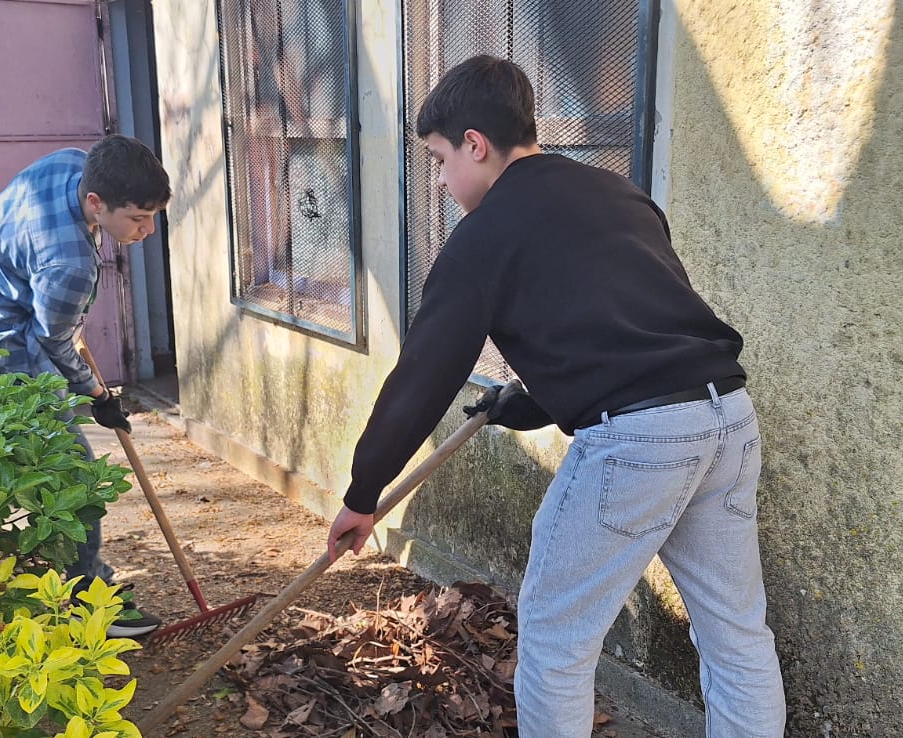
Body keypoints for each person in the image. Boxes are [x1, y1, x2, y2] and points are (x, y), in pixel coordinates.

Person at [324, 56, 786, 738]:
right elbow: (629, 334)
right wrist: (526, 402)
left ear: (475, 144)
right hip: (725, 418)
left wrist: (364, 492)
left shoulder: (485, 234)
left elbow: (425, 375)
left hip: (640, 441)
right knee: (737, 633)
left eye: (439, 159)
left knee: (554, 641)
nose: (443, 180)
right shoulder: (617, 195)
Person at [0, 134, 171, 638]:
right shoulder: (70, 263)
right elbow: (55, 342)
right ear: (96, 202)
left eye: (153, 215)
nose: (147, 230)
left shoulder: (71, 163)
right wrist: (98, 396)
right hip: (0, 350)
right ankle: (86, 601)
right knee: (74, 479)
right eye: (136, 218)